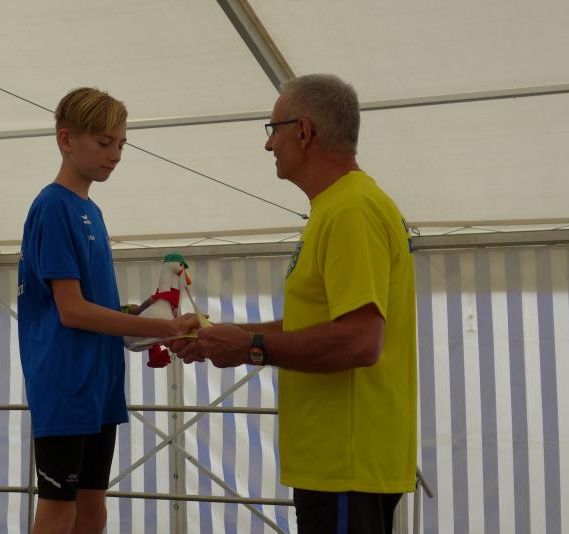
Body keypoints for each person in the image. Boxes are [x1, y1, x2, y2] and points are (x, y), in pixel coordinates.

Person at [174, 74, 417, 534]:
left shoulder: (351, 210)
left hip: (346, 464)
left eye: (274, 129)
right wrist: (225, 336)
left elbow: (360, 340)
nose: (269, 145)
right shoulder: (335, 207)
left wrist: (251, 347)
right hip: (335, 463)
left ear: (304, 132)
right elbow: (320, 321)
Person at [17, 87, 198, 534]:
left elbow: (93, 306)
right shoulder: (52, 206)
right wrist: (161, 328)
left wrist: (146, 314)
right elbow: (72, 311)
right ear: (66, 140)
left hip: (99, 380)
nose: (115, 155)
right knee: (59, 509)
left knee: (92, 507)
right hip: (65, 382)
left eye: (121, 144)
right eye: (104, 143)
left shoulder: (91, 210)